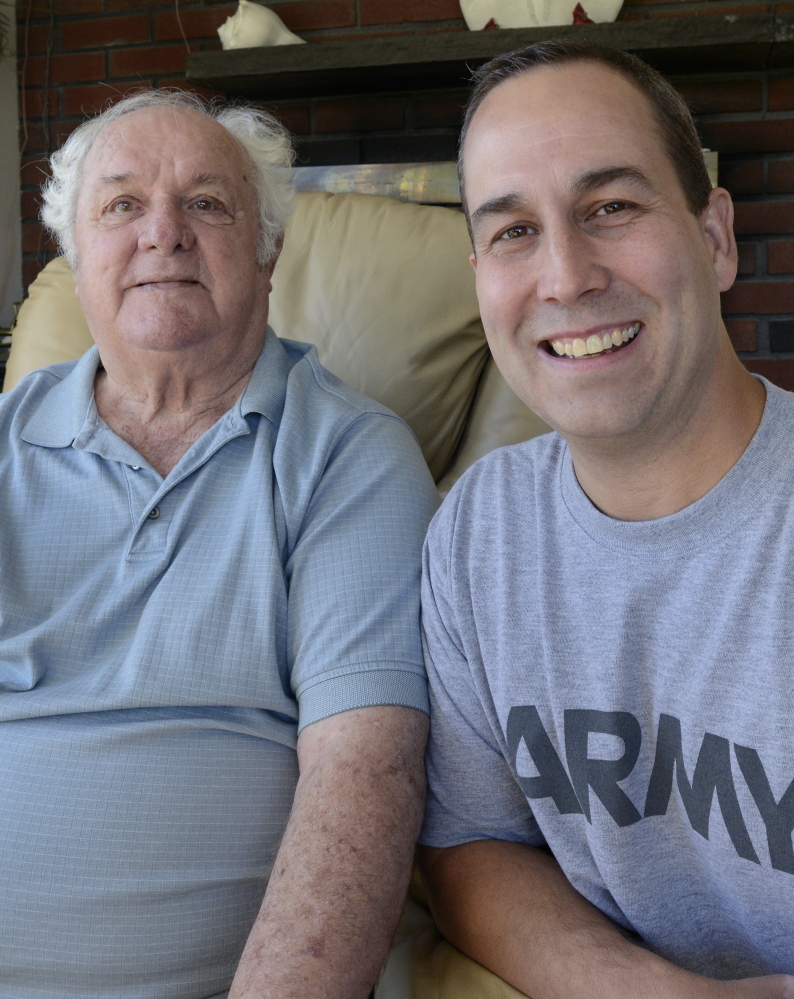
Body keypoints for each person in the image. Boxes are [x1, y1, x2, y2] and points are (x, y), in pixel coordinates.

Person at [0, 90, 438, 999]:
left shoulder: (346, 457)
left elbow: (364, 771)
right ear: (77, 260)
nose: (163, 232)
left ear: (268, 250)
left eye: (206, 202)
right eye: (122, 205)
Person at [417, 41, 794, 999]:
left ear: (713, 238)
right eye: (513, 233)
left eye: (611, 207)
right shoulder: (478, 532)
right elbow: (471, 843)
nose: (566, 275)